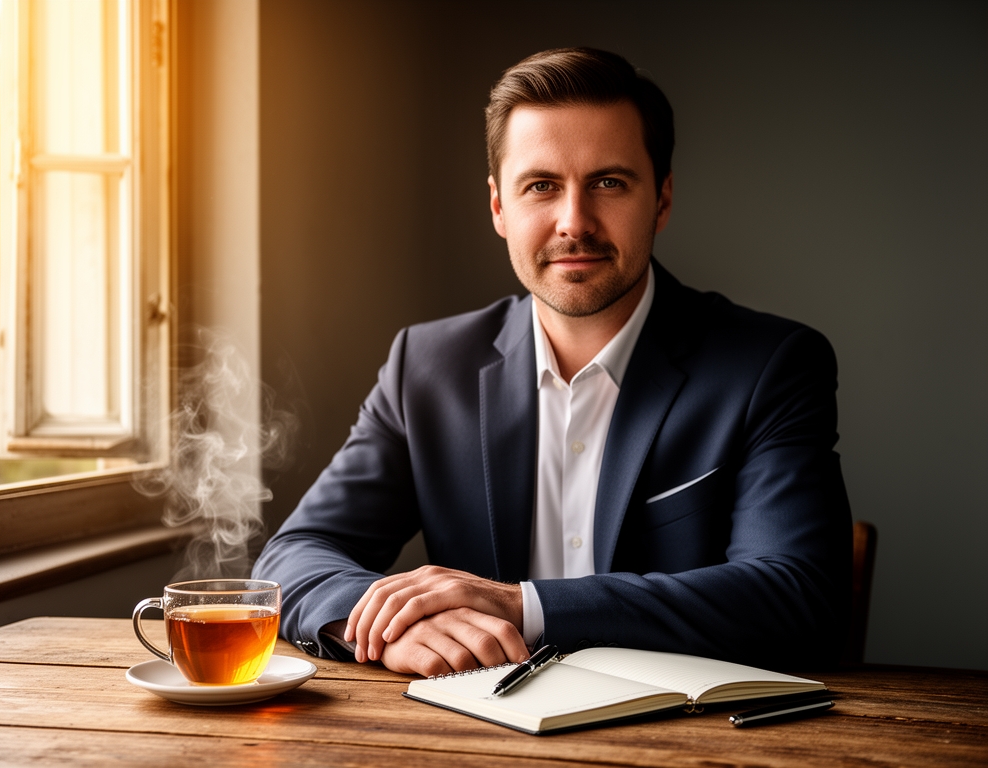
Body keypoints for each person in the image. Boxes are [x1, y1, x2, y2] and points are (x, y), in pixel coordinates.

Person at [252, 47, 852, 677]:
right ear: (498, 209)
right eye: (541, 186)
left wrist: (520, 606)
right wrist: (391, 627)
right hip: (476, 729)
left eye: (609, 183)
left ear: (663, 199)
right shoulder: (426, 367)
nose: (575, 222)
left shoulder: (771, 366)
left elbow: (796, 598)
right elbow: (296, 555)